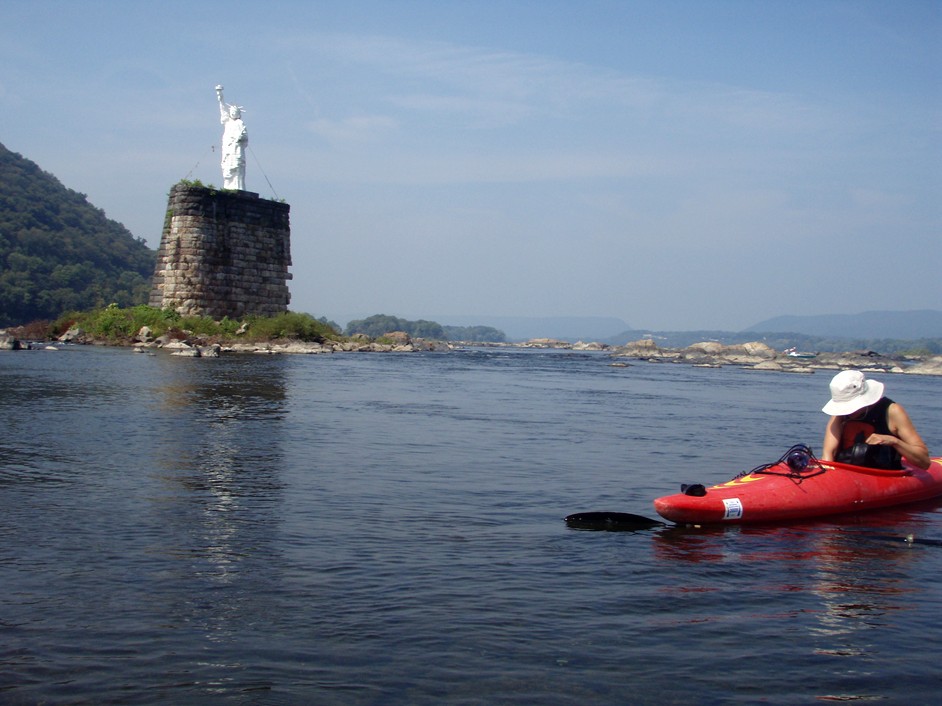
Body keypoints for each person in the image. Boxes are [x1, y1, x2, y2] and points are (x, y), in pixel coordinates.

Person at [821, 370, 930, 470]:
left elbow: (924, 462)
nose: (847, 412)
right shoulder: (840, 414)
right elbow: (828, 455)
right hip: (846, 477)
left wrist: (894, 441)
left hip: (884, 476)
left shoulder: (892, 411)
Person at [215, 85, 248, 190]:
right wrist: (220, 96)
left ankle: (238, 187)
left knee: (237, 167)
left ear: (238, 113)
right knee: (227, 167)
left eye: (235, 112)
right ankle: (228, 187)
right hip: (228, 148)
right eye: (232, 112)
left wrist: (240, 137)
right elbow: (222, 108)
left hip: (237, 148)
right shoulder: (228, 122)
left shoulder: (240, 123)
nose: (233, 113)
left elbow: (245, 135)